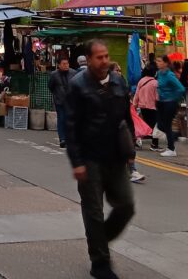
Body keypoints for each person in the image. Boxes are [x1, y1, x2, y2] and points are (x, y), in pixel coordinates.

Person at [65, 40, 136, 279]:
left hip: (115, 156)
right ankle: (100, 262)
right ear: (88, 59)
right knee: (93, 212)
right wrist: (77, 162)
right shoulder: (77, 86)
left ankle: (99, 239)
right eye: (99, 57)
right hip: (90, 158)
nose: (104, 61)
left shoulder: (118, 81)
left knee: (126, 206)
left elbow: (126, 118)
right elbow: (71, 126)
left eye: (106, 56)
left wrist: (130, 151)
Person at [155, 55, 185, 157]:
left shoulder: (169, 75)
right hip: (161, 102)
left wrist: (173, 98)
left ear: (166, 63)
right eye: (157, 61)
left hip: (169, 103)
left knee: (167, 125)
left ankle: (171, 148)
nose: (157, 63)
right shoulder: (159, 73)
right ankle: (173, 137)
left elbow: (181, 88)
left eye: (159, 61)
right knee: (160, 125)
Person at [48, 55, 74, 149]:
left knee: (69, 120)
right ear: (59, 65)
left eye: (67, 63)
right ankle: (62, 139)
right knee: (61, 119)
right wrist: (57, 94)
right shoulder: (54, 74)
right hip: (60, 101)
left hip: (71, 101)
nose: (66, 65)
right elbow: (50, 86)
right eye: (64, 64)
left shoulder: (73, 73)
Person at [133, 66, 159, 152]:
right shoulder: (155, 83)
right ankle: (154, 144)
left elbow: (137, 94)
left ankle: (137, 139)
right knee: (155, 126)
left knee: (145, 124)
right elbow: (157, 97)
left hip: (142, 106)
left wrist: (134, 105)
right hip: (152, 107)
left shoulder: (141, 81)